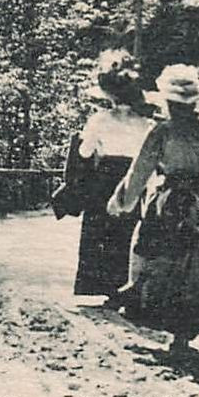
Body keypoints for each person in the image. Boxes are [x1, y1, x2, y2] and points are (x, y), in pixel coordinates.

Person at [108, 64, 199, 354]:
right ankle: (186, 329)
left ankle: (136, 289)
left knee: (148, 247)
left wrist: (123, 201)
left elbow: (140, 170)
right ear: (196, 102)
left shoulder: (162, 132)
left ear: (168, 102)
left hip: (169, 198)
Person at [55, 50, 154, 306]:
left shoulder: (100, 120)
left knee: (101, 232)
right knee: (128, 230)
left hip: (105, 178)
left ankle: (105, 286)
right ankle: (125, 286)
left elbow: (84, 151)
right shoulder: (145, 123)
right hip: (133, 178)